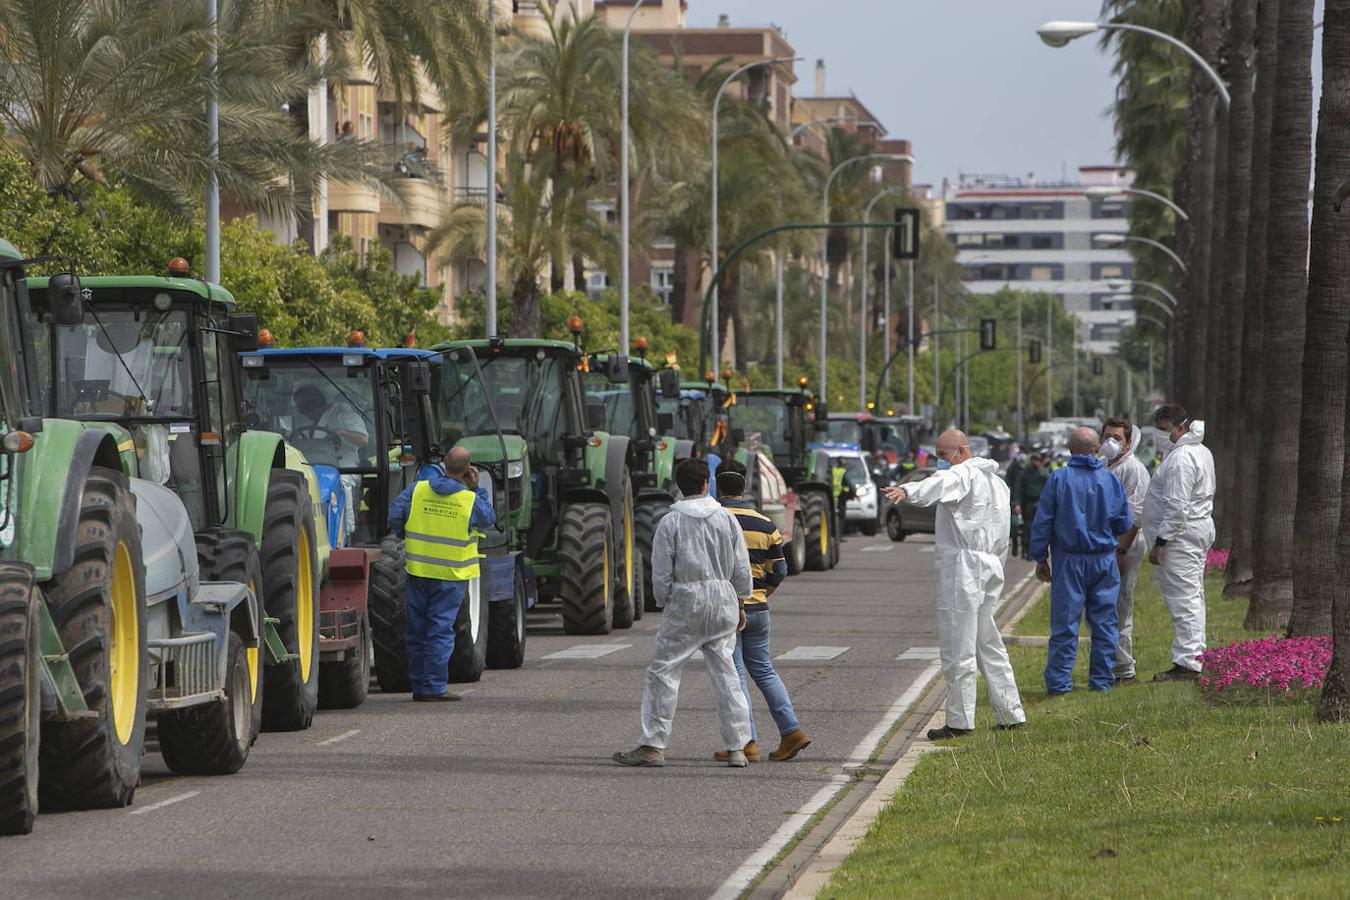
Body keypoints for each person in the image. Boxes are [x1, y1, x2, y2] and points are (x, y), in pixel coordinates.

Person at [882, 428, 1026, 739]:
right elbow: (1003, 530)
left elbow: (941, 483)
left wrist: (907, 490)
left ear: (960, 451)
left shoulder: (964, 474)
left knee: (957, 643)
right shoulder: (997, 482)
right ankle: (1010, 711)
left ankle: (960, 721)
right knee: (987, 641)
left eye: (943, 455)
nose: (941, 462)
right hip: (989, 564)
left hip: (963, 567)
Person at [614, 458, 754, 768]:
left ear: (679, 486)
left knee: (663, 673)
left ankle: (653, 744)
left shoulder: (671, 522)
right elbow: (741, 566)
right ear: (708, 483)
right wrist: (741, 602)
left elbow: (661, 571)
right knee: (726, 674)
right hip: (722, 600)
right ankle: (737, 747)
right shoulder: (726, 519)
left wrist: (664, 601)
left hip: (686, 600)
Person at [714, 460, 811, 763]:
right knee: (765, 671)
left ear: (718, 486)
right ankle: (791, 731)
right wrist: (763, 592)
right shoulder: (765, 525)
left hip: (729, 609)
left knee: (736, 673)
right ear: (744, 487)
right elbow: (780, 569)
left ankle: (746, 742)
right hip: (759, 608)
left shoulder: (714, 521)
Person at [388, 447, 495, 701]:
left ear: (443, 464)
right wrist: (476, 488)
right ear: (467, 470)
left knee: (416, 629)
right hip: (451, 575)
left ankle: (418, 685)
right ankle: (434, 688)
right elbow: (488, 518)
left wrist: (408, 538)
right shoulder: (469, 500)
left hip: (418, 571)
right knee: (439, 630)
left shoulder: (418, 490)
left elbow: (395, 515)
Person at [1029, 427, 1132, 695]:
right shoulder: (1110, 481)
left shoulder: (1058, 479)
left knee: (1065, 623)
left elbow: (1043, 522)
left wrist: (1040, 557)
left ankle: (1060, 683)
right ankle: (1101, 681)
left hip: (1069, 560)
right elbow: (1124, 522)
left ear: (1070, 449)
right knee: (1105, 623)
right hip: (1103, 559)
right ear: (1096, 449)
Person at [1142, 404, 1215, 682]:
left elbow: (1177, 506)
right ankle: (1194, 656)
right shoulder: (1199, 452)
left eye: (1163, 430)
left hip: (1180, 538)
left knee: (1183, 599)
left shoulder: (1181, 459)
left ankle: (1187, 664)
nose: (1161, 436)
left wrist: (1161, 541)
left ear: (1179, 428)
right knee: (1193, 596)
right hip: (1194, 532)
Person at [1100, 416, 1150, 684]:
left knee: (1121, 604)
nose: (1110, 442)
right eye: (1106, 436)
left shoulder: (1133, 470)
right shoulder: (1103, 465)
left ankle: (1124, 668)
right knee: (1104, 606)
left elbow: (1135, 515)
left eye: (1116, 438)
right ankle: (1108, 663)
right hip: (1104, 546)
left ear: (1128, 442)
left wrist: (1120, 552)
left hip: (1123, 547)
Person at [293, 383, 369, 468]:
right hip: (312, 468)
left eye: (302, 408)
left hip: (344, 469)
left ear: (311, 404)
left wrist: (342, 432)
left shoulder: (343, 415)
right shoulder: (308, 424)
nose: (302, 413)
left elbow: (363, 440)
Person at [1016, 454, 1050, 561]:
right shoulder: (1024, 473)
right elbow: (1019, 489)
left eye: (1038, 461)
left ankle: (1037, 551)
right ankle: (1027, 550)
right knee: (1027, 528)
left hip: (1040, 503)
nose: (1036, 463)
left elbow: (1049, 489)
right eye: (1034, 460)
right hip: (1027, 503)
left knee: (1039, 528)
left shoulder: (1043, 473)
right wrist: (1017, 504)